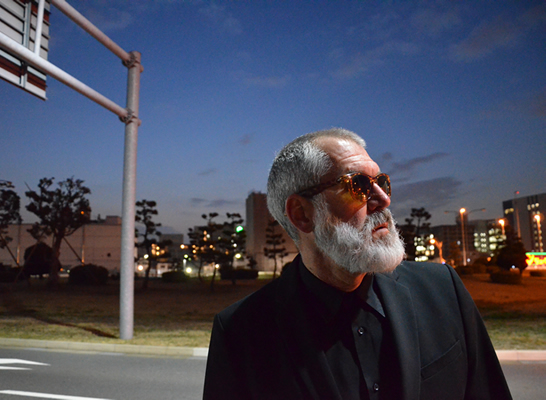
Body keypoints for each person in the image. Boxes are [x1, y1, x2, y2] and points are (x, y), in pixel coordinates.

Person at [202, 128, 512, 400]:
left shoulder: (443, 290)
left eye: (382, 182)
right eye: (359, 185)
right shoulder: (242, 333)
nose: (383, 199)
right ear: (302, 214)